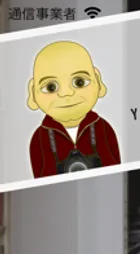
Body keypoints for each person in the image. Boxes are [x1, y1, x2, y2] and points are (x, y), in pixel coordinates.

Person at [27, 40, 121, 178]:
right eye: (51, 87)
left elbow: (116, 169)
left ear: (98, 81)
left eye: (79, 82)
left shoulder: (102, 128)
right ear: (33, 92)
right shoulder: (40, 138)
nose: (66, 93)